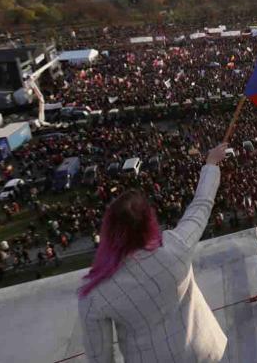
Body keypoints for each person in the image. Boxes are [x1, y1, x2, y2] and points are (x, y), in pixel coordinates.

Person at [78, 143, 230, 363]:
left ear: (108, 232)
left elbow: (101, 358)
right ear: (149, 221)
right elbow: (201, 206)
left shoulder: (95, 293)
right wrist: (211, 164)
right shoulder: (175, 246)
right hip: (205, 352)